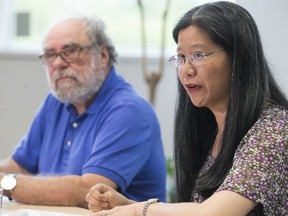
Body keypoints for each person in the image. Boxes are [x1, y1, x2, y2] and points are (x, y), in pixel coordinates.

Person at [85, 1, 288, 215]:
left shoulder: (275, 129)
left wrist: (138, 211)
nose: (186, 70)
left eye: (198, 55)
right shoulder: (208, 127)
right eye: (181, 58)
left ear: (238, 58)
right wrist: (126, 205)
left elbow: (214, 213)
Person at [0, 15, 167, 208]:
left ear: (103, 56)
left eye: (70, 51)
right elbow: (20, 166)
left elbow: (88, 190)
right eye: (49, 55)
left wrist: (6, 183)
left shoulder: (130, 111)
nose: (58, 64)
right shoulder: (56, 102)